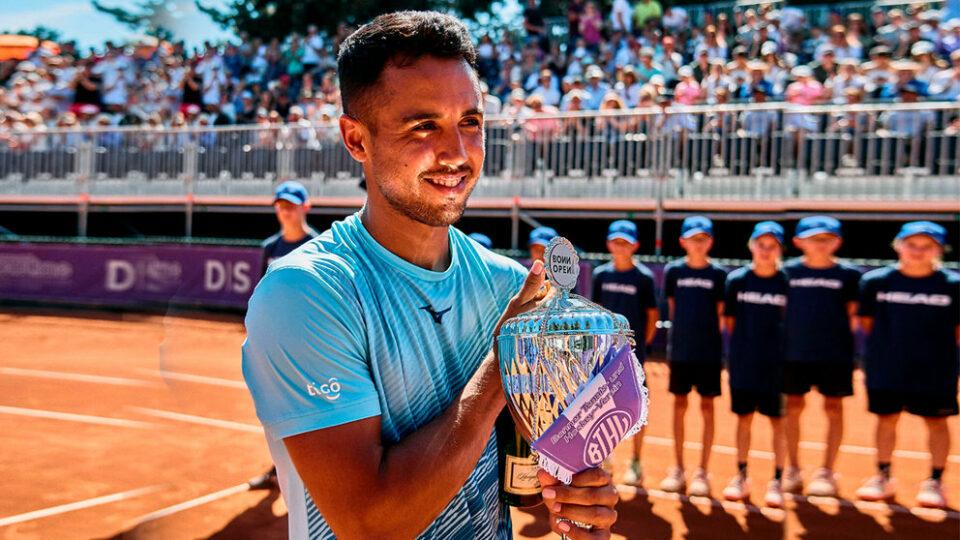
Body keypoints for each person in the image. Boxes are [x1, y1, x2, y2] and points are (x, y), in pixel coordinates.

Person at [242, 12, 619, 539]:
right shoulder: (304, 293)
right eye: (424, 126)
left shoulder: (506, 283)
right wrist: (502, 361)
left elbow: (518, 480)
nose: (458, 153)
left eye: (470, 121)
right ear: (356, 139)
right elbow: (369, 524)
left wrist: (573, 491)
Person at [855, 221, 959, 509]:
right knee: (886, 419)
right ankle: (883, 475)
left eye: (927, 246)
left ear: (938, 250)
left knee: (937, 422)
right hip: (887, 366)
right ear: (898, 245)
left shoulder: (953, 285)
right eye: (911, 244)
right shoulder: (876, 282)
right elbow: (867, 323)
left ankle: (935, 481)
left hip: (935, 369)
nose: (918, 251)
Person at [781, 216, 862, 498]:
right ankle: (792, 468)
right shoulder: (786, 272)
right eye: (814, 238)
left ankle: (827, 471)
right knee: (791, 407)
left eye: (827, 239)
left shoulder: (850, 276)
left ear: (837, 242)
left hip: (835, 355)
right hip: (793, 354)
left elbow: (852, 315)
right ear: (798, 242)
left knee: (834, 409)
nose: (820, 244)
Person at [659, 216, 727, 497]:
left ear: (709, 241)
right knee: (679, 405)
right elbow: (673, 310)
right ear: (682, 242)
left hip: (708, 353)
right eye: (692, 238)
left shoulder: (719, 275)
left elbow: (721, 315)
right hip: (682, 352)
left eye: (702, 239)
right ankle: (678, 468)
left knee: (708, 408)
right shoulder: (674, 272)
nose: (697, 244)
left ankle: (702, 471)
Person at [722, 221, 789, 508]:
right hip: (744, 363)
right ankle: (741, 475)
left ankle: (777, 480)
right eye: (760, 244)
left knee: (777, 423)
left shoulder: (787, 283)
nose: (765, 250)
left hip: (778, 366)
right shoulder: (737, 281)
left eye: (771, 245)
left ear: (779, 250)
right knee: (744, 419)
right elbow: (730, 322)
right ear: (752, 246)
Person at [591, 220, 658, 487]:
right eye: (616, 242)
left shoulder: (644, 278)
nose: (620, 247)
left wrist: (640, 347)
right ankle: (605, 459)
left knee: (637, 410)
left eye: (626, 243)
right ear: (609, 245)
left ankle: (636, 462)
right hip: (604, 358)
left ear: (635, 246)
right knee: (602, 409)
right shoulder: (601, 275)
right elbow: (594, 311)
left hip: (632, 358)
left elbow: (652, 317)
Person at [260, 181, 319, 276]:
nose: (285, 211)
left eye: (291, 205)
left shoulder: (318, 246)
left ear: (306, 207)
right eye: (281, 206)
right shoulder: (269, 247)